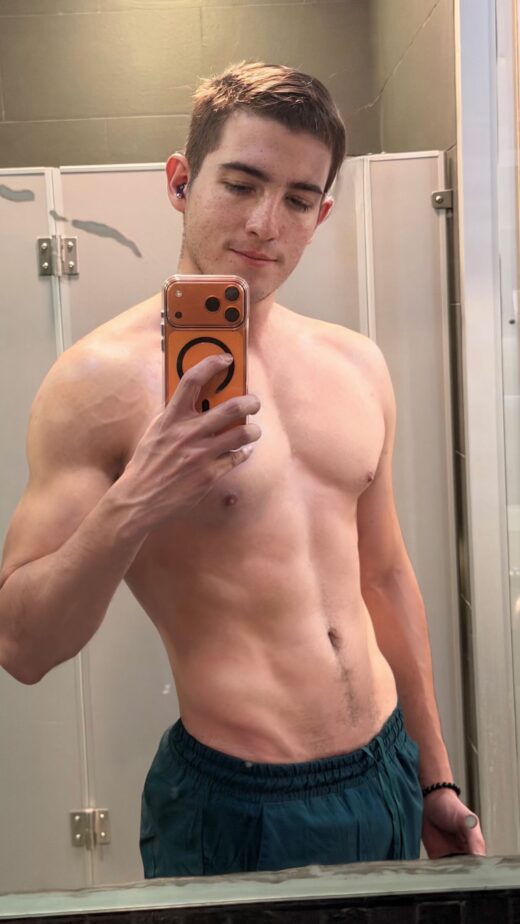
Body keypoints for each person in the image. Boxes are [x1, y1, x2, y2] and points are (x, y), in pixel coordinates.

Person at [0, 61, 485, 877]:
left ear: (321, 214)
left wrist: (434, 775)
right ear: (180, 182)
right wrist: (138, 498)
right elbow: (22, 645)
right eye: (241, 184)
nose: (265, 222)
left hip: (386, 768)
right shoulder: (95, 384)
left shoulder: (356, 364)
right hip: (236, 803)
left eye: (297, 199)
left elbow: (385, 575)